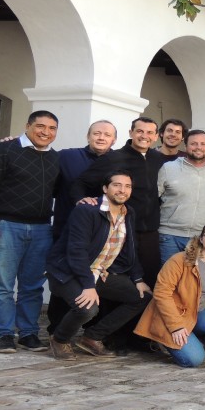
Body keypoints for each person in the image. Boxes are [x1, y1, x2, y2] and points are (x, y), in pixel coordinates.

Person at [0, 110, 60, 354]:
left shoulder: (55, 159)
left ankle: (28, 333)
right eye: (40, 126)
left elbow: (63, 190)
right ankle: (4, 335)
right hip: (4, 226)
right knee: (2, 286)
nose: (45, 132)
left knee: (32, 286)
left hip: (42, 229)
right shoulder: (3, 150)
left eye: (52, 128)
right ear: (28, 126)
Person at [46, 171, 152, 360]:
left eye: (127, 186)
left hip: (99, 271)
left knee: (141, 297)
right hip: (67, 272)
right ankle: (59, 340)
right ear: (105, 188)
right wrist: (88, 286)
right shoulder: (87, 210)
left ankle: (92, 337)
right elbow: (76, 252)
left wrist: (138, 279)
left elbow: (131, 248)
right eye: (117, 185)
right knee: (87, 308)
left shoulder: (128, 212)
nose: (122, 190)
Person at [71, 117, 167, 286]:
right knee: (118, 277)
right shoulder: (114, 158)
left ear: (156, 136)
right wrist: (81, 199)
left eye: (149, 132)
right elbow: (81, 182)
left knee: (149, 277)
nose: (144, 136)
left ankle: (144, 312)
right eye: (139, 131)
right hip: (121, 228)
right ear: (131, 133)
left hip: (150, 231)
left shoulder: (159, 159)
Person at [47, 120, 117, 337]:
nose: (101, 137)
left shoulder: (118, 161)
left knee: (99, 280)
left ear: (114, 139)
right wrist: (11, 142)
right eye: (97, 133)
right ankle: (56, 328)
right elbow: (39, 162)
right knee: (65, 279)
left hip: (104, 235)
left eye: (107, 134)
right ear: (88, 136)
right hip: (66, 229)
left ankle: (91, 330)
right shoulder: (66, 156)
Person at [134, 222, 205, 368]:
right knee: (194, 360)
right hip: (173, 314)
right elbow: (161, 293)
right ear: (201, 238)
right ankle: (167, 339)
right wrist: (176, 326)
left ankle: (189, 337)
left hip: (197, 312)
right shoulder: (180, 260)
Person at [157, 130, 205, 264]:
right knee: (168, 280)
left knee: (194, 280)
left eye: (203, 144)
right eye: (194, 143)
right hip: (169, 236)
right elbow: (154, 197)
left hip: (200, 238)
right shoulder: (168, 168)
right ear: (186, 146)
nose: (198, 147)